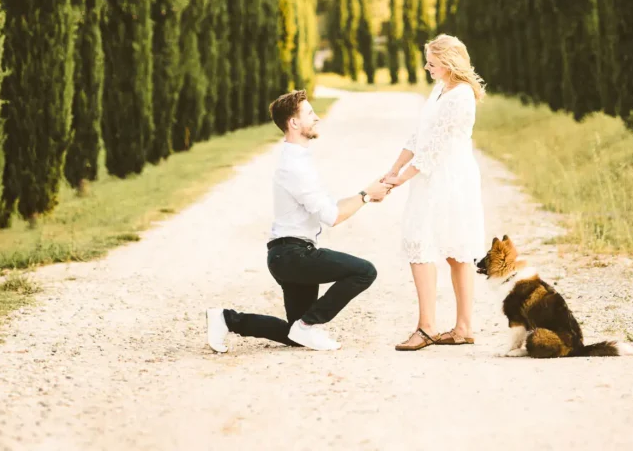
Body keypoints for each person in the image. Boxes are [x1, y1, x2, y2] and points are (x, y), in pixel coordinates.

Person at [206, 90, 390, 353]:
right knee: (365, 271)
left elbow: (330, 208)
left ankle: (226, 319)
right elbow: (332, 217)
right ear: (293, 123)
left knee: (295, 335)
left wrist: (368, 194)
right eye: (310, 114)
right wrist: (366, 196)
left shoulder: (300, 161)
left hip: (288, 255)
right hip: (293, 256)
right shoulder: (294, 167)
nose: (317, 118)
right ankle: (308, 325)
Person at [382, 34, 486, 350]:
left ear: (448, 61)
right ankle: (441, 327)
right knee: (422, 241)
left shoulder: (461, 97)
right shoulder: (440, 89)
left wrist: (401, 180)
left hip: (450, 179)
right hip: (429, 177)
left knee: (452, 249)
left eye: (432, 62)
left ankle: (448, 328)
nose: (427, 67)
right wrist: (393, 168)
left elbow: (434, 150)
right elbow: (419, 135)